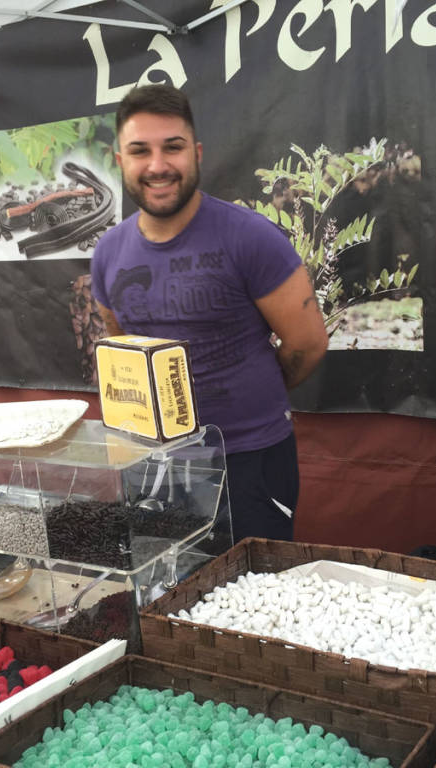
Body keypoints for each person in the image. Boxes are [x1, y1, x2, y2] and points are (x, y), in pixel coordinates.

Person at [90, 84, 329, 542]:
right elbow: (120, 345)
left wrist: (250, 395)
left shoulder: (250, 238)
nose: (158, 165)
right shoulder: (107, 252)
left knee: (252, 603)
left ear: (196, 153)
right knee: (164, 591)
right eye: (140, 151)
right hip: (151, 464)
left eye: (173, 148)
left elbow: (308, 343)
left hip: (249, 461)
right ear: (120, 161)